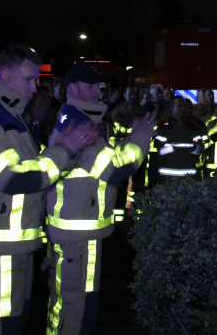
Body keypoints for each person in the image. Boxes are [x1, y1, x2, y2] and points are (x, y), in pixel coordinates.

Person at [0, 44, 97, 335]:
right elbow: (12, 178)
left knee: (10, 326)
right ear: (4, 74)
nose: (35, 88)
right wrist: (63, 150)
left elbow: (32, 169)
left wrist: (66, 157)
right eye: (28, 79)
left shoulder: (10, 115)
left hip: (12, 250)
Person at [46, 65, 156, 335]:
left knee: (74, 304)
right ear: (73, 89)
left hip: (77, 229)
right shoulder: (77, 122)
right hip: (76, 233)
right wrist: (139, 140)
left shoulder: (76, 117)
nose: (99, 90)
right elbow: (114, 170)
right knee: (75, 310)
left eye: (100, 86)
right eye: (91, 85)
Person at [149, 97, 205, 187]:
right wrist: (175, 147)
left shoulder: (192, 126)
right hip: (167, 177)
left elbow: (200, 147)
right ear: (172, 108)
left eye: (184, 106)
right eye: (179, 106)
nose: (183, 108)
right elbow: (159, 151)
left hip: (189, 176)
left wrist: (193, 151)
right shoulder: (163, 126)